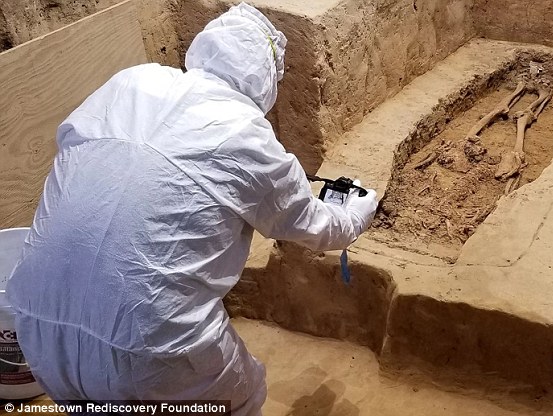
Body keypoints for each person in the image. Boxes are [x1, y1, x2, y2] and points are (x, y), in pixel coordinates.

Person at [6, 2, 377, 415]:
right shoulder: (246, 133)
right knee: (239, 398)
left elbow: (76, 153)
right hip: (152, 348)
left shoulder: (130, 82)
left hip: (36, 323)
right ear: (267, 79)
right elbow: (314, 226)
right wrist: (358, 211)